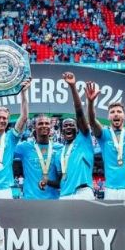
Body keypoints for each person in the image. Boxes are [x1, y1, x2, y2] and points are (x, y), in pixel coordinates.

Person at [86, 77, 125, 200]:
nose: (116, 114)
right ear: (108, 117)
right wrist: (91, 103)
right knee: (114, 219)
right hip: (112, 189)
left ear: (124, 116)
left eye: (119, 111)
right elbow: (92, 121)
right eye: (112, 112)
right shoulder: (103, 135)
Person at [53, 72, 95, 200]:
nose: (68, 127)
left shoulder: (83, 139)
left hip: (82, 192)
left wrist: (72, 87)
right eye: (65, 126)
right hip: (64, 195)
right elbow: (60, 179)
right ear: (61, 132)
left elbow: (80, 113)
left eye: (72, 125)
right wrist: (45, 182)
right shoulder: (58, 153)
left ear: (78, 129)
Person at [14, 114, 62, 199]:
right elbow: (6, 151)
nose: (44, 125)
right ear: (34, 127)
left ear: (50, 126)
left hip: (53, 200)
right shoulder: (24, 147)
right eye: (40, 123)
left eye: (46, 123)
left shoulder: (60, 148)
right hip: (30, 199)